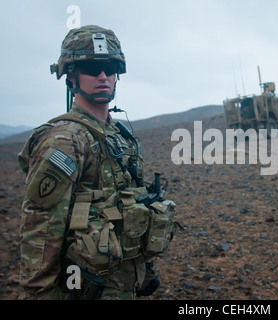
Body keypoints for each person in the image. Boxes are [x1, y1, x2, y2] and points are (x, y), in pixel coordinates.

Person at [17, 25, 177, 300]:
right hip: (84, 287)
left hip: (122, 281)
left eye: (110, 67)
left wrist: (146, 265)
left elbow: (133, 205)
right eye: (92, 68)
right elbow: (41, 227)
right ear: (71, 75)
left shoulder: (120, 136)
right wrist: (39, 294)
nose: (103, 76)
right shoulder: (65, 140)